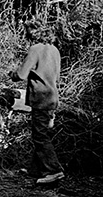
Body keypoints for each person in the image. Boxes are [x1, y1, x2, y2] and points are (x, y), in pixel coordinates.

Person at [10, 20, 64, 185]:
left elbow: (21, 75)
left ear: (32, 33)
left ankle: (54, 170)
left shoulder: (34, 49)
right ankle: (36, 170)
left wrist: (12, 73)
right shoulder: (55, 50)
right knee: (40, 133)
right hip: (52, 98)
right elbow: (58, 77)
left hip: (40, 99)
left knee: (40, 136)